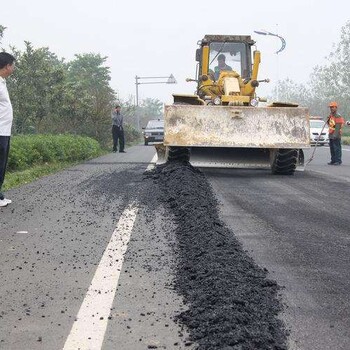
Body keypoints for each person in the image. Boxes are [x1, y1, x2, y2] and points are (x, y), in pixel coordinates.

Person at [0, 52, 16, 207]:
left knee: (2, 164)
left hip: (5, 130)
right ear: (7, 66)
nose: (14, 68)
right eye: (13, 65)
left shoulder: (2, 82)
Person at [327, 101, 346, 165]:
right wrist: (328, 118)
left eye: (332, 107)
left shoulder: (338, 116)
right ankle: (333, 160)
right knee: (332, 148)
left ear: (336, 108)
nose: (331, 108)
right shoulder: (331, 116)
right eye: (330, 107)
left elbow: (338, 126)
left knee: (337, 148)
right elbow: (329, 124)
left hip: (336, 134)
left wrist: (335, 135)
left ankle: (338, 160)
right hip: (331, 134)